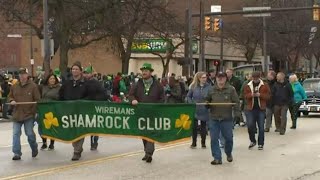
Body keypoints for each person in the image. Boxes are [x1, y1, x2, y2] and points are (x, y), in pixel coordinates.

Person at [128, 63, 164, 163]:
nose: (144, 72)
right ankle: (146, 152)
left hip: (153, 113)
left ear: (150, 72)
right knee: (144, 133)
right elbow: (130, 95)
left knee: (151, 132)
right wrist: (133, 100)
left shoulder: (158, 84)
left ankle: (149, 153)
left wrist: (157, 106)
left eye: (146, 70)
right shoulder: (137, 84)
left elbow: (162, 98)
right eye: (143, 70)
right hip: (141, 113)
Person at [206, 72, 241, 165]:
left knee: (228, 139)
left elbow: (236, 102)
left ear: (226, 79)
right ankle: (217, 158)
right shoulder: (211, 89)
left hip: (227, 118)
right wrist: (206, 104)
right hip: (214, 118)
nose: (220, 79)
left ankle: (228, 153)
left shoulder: (231, 89)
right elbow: (207, 100)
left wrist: (238, 115)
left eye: (222, 77)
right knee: (214, 139)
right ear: (216, 79)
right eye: (218, 78)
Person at [8, 67, 41, 160]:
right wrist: (11, 100)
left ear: (27, 75)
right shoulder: (14, 86)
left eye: (24, 74)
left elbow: (37, 100)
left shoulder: (33, 86)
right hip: (17, 114)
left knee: (30, 134)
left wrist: (34, 112)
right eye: (20, 74)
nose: (22, 76)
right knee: (15, 134)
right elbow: (10, 96)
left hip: (28, 115)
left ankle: (34, 148)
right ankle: (16, 153)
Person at [59, 61, 89, 161]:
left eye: (76, 69)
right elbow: (61, 95)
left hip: (81, 111)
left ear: (80, 71)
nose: (74, 71)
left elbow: (90, 96)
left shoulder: (85, 83)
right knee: (72, 131)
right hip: (69, 111)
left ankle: (77, 151)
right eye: (73, 69)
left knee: (79, 130)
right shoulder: (67, 83)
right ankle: (76, 147)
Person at [243, 71, 270, 150]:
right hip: (250, 109)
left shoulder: (265, 85)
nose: (255, 80)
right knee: (250, 125)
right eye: (253, 78)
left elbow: (268, 96)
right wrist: (250, 95)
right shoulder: (248, 85)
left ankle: (261, 143)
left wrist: (260, 95)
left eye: (256, 78)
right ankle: (253, 140)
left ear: (259, 77)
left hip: (261, 109)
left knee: (261, 127)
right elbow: (244, 95)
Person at [83, 66, 107, 150]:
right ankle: (92, 141)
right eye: (84, 73)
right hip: (86, 107)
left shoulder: (97, 83)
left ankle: (94, 141)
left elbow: (104, 94)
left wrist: (95, 101)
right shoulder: (83, 82)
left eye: (87, 73)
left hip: (95, 107)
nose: (85, 75)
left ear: (91, 74)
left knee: (95, 124)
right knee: (89, 124)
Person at [187, 72, 211, 149]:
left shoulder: (209, 87)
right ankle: (194, 143)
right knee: (194, 126)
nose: (204, 79)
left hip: (204, 108)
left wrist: (208, 103)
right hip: (195, 108)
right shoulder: (193, 87)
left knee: (203, 127)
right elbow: (188, 96)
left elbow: (211, 96)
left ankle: (203, 142)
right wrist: (191, 103)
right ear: (199, 78)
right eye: (203, 77)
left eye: (205, 77)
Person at [39, 73, 61, 150]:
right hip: (44, 109)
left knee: (52, 126)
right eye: (51, 78)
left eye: (53, 79)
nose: (52, 80)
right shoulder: (43, 87)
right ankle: (44, 142)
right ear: (48, 80)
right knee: (42, 126)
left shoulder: (59, 88)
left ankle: (52, 143)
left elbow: (61, 98)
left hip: (53, 109)